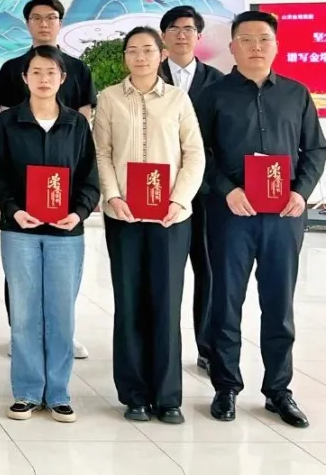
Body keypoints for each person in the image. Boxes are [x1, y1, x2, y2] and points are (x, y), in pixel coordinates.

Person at [195, 10, 326, 428]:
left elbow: (315, 150)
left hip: (283, 217)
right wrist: (227, 190)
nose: (256, 47)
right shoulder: (213, 95)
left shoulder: (296, 93)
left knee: (279, 304)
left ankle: (278, 390)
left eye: (264, 39)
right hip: (231, 214)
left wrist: (300, 192)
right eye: (247, 39)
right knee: (225, 302)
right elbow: (199, 151)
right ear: (232, 47)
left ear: (276, 46)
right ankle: (225, 387)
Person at [94, 27, 205, 425]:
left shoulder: (178, 99)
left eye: (147, 50)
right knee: (129, 303)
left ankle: (168, 396)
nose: (140, 57)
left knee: (166, 303)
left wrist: (179, 200)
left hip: (169, 219)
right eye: (132, 51)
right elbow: (102, 153)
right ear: (124, 57)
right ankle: (135, 395)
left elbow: (194, 154)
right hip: (124, 216)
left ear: (162, 55)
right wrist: (113, 196)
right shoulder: (109, 98)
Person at [0, 45, 100, 423]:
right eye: (36, 72)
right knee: (25, 312)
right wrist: (13, 210)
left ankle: (60, 392)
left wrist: (78, 212)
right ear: (25, 78)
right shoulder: (8, 122)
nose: (43, 79)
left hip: (66, 233)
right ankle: (27, 391)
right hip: (19, 229)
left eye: (51, 72)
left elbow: (90, 177)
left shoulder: (76, 124)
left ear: (62, 78)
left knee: (60, 313)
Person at [0, 0, 96, 360]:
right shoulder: (11, 68)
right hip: (22, 193)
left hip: (64, 191)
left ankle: (62, 334)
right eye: (36, 18)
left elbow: (84, 123)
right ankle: (20, 332)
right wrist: (14, 202)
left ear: (60, 22)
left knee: (62, 278)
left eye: (50, 17)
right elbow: (7, 130)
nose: (43, 24)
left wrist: (77, 204)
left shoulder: (78, 69)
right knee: (20, 276)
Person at [158, 6, 224, 374]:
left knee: (208, 269)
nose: (181, 34)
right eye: (174, 28)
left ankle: (207, 347)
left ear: (198, 36)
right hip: (158, 192)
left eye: (188, 28)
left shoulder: (218, 81)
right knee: (164, 272)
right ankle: (160, 349)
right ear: (163, 36)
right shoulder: (149, 76)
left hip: (207, 192)